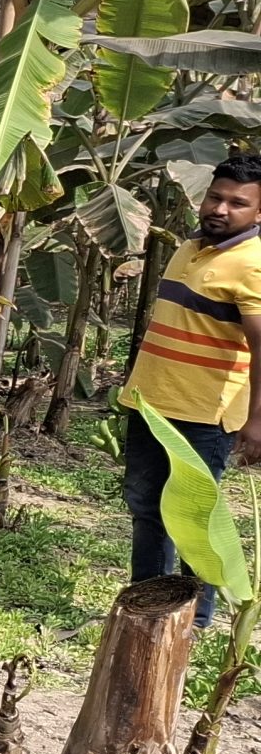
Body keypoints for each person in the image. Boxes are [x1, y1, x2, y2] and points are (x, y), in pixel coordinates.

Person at [119, 154, 261, 627]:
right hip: (152, 402)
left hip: (204, 414)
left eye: (238, 204)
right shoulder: (189, 248)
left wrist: (257, 420)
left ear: (258, 213)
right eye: (216, 197)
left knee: (194, 522)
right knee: (145, 506)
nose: (221, 209)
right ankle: (148, 606)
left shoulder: (253, 264)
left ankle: (194, 620)